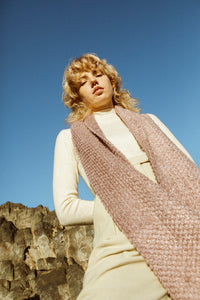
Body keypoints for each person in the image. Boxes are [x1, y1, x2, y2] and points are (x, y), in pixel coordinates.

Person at [53, 54, 200, 300]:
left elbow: (190, 175)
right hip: (122, 239)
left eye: (98, 74)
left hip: (181, 226)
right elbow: (66, 210)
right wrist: (120, 206)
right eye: (83, 81)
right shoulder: (68, 138)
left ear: (112, 81)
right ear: (78, 96)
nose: (93, 82)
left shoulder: (149, 121)